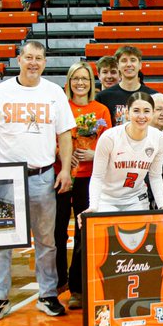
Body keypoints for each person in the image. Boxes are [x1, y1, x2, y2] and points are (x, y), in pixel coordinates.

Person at [0, 41, 76, 320]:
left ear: (44, 62)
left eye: (38, 58)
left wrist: (65, 169)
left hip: (43, 175)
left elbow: (65, 134)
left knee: (47, 240)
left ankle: (48, 294)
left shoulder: (54, 93)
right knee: (0, 242)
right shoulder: (0, 92)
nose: (33, 62)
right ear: (19, 59)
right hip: (5, 178)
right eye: (28, 57)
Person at [54, 62, 111, 310]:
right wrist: (62, 153)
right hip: (60, 175)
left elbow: (108, 144)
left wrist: (93, 154)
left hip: (89, 178)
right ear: (68, 81)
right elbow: (49, 139)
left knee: (82, 234)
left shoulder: (101, 110)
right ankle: (57, 283)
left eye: (85, 79)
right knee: (56, 232)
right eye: (76, 78)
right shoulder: (60, 107)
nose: (80, 83)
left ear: (92, 83)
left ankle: (78, 287)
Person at [86, 92, 163, 214]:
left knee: (138, 233)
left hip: (136, 198)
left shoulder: (159, 138)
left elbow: (155, 176)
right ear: (127, 113)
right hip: (107, 199)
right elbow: (97, 176)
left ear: (152, 114)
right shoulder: (109, 137)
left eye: (146, 111)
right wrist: (93, 206)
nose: (141, 116)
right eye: (136, 110)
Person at [95, 44, 158, 125]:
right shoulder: (103, 97)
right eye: (124, 60)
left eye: (133, 60)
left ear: (140, 65)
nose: (128, 64)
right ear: (117, 65)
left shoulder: (153, 95)